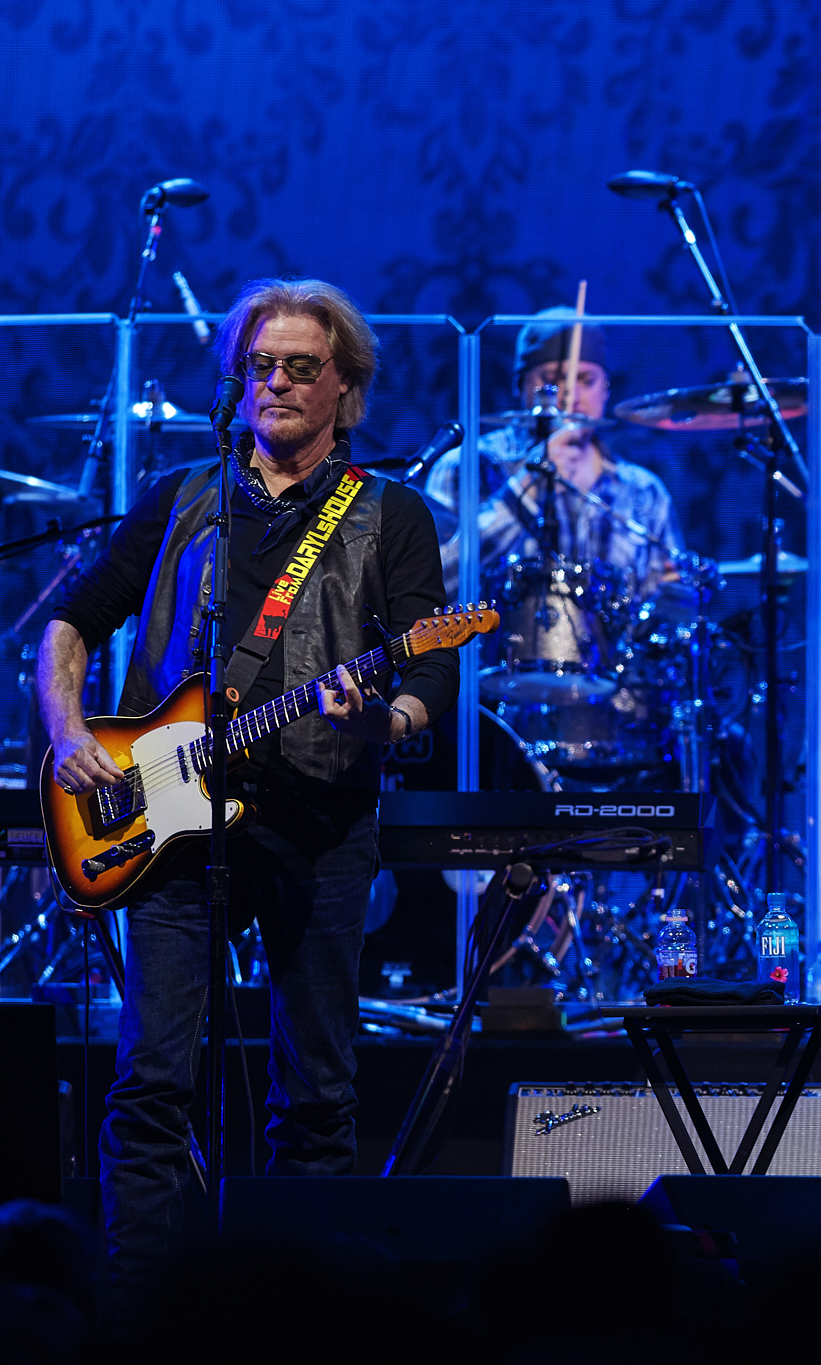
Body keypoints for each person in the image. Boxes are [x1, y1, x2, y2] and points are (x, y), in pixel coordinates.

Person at [38, 277, 456, 1319]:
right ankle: (140, 1315)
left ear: (346, 392)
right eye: (259, 365)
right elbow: (67, 624)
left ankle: (295, 1318)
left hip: (321, 823)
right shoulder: (185, 498)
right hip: (166, 823)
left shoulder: (389, 514)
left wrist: (380, 722)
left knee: (315, 1092)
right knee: (149, 1085)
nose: (275, 381)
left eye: (301, 367)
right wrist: (69, 731)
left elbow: (426, 677)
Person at [426, 307, 683, 600]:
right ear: (520, 384)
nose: (569, 396)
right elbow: (434, 585)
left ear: (606, 390)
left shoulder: (644, 491)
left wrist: (675, 601)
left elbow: (663, 613)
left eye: (585, 380)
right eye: (552, 380)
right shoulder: (469, 467)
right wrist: (527, 489)